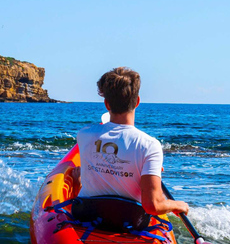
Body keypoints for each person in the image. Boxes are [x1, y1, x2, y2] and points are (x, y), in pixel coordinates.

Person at [73, 67, 189, 217]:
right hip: (128, 222)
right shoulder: (149, 146)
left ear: (107, 104)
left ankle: (79, 184)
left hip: (86, 214)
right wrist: (177, 204)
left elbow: (103, 166)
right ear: (137, 101)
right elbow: (153, 206)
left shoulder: (84, 134)